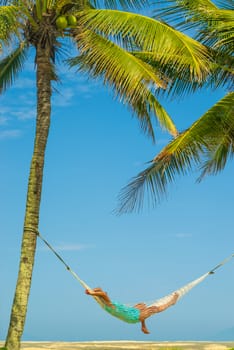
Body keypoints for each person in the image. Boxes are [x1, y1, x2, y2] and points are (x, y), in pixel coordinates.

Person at [85, 287, 179, 334]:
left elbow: (101, 291)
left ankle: (143, 326)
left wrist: (92, 290)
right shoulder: (110, 305)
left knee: (141, 305)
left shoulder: (107, 303)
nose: (105, 293)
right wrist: (91, 293)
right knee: (154, 309)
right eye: (103, 294)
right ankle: (172, 302)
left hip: (130, 311)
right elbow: (103, 294)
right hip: (132, 317)